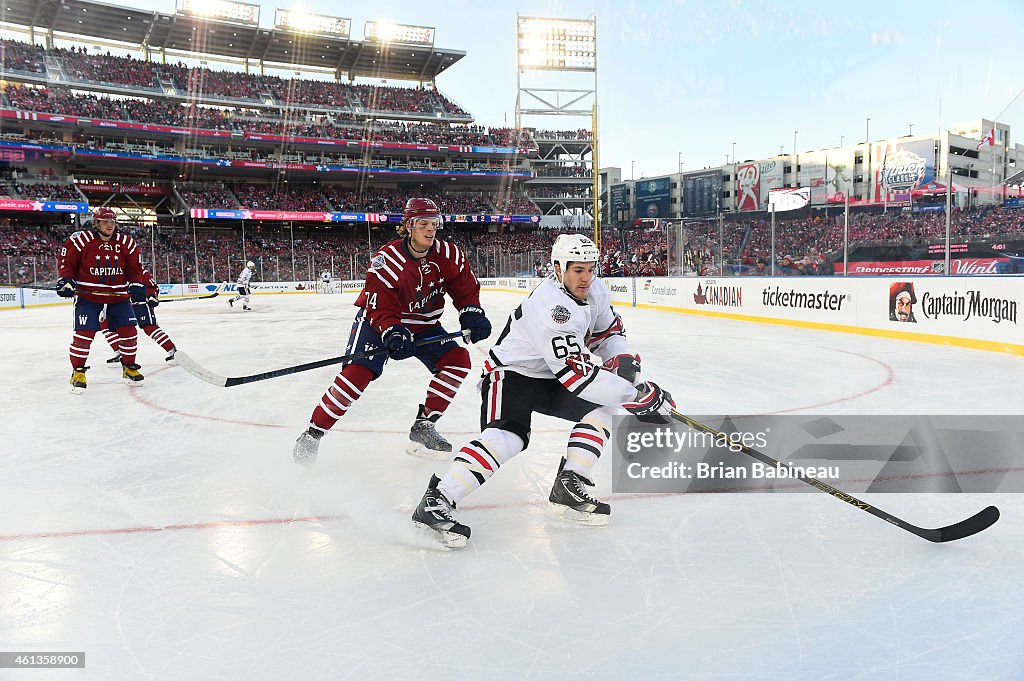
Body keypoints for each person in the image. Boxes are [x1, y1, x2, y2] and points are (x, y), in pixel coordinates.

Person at [411, 234, 675, 549]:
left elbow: (609, 332)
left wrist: (623, 363)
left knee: (601, 410)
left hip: (551, 374)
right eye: (578, 270)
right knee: (508, 438)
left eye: (591, 268)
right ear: (557, 268)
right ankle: (438, 499)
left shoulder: (595, 290)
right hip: (511, 375)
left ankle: (570, 482)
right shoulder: (553, 308)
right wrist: (637, 395)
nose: (586, 277)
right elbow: (579, 378)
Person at [292, 197, 492, 466]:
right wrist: (392, 331)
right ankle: (313, 432)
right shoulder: (387, 260)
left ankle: (424, 424)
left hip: (424, 324)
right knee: (356, 376)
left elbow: (465, 288)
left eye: (434, 223)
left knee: (457, 360)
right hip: (379, 324)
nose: (431, 230)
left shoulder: (450, 255)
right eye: (423, 224)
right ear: (409, 226)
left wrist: (471, 312)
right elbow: (380, 305)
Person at [56, 207, 147, 394]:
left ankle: (129, 368)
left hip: (118, 297)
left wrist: (137, 283)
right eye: (105, 221)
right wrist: (65, 280)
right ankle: (78, 372)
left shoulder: (126, 242)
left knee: (129, 332)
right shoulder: (81, 240)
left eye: (112, 221)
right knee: (84, 335)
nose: (109, 225)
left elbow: (135, 268)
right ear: (96, 223)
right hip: (89, 296)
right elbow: (67, 263)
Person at [102, 268, 177, 366]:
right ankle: (119, 351)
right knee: (106, 323)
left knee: (149, 327)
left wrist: (152, 296)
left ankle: (171, 349)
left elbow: (153, 286)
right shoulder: (111, 270)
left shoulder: (138, 270)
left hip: (139, 304)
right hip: (121, 303)